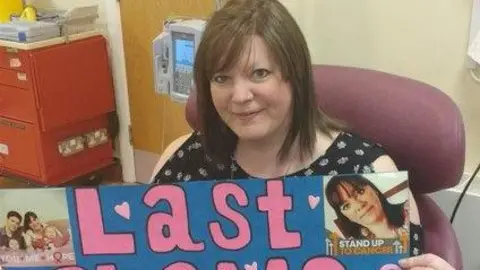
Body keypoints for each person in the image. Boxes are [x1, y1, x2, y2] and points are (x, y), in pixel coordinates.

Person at [150, 0, 455, 269]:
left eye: (259, 73)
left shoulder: (365, 175)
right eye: (221, 78)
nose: (240, 95)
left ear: (295, 77)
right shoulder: (181, 163)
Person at [325, 174, 409, 239]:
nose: (359, 205)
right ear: (346, 217)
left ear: (374, 190)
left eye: (360, 191)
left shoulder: (408, 211)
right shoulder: (357, 252)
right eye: (346, 206)